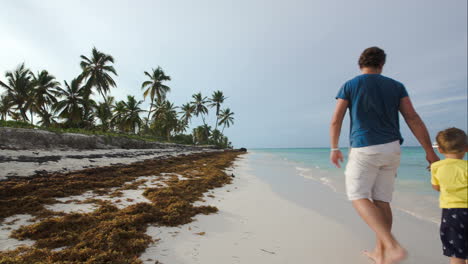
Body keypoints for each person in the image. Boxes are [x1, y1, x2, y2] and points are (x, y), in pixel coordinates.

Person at [329, 46, 440, 264]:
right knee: (381, 200)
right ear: (382, 65)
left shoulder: (350, 85)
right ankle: (380, 254)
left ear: (360, 63)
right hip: (392, 149)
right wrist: (429, 151)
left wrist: (334, 148)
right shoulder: (396, 86)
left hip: (365, 148)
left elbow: (336, 119)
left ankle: (391, 245)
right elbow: (413, 118)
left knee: (357, 196)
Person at [431, 127, 468, 264]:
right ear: (466, 148)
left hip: (451, 213)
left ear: (439, 149)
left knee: (456, 253)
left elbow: (436, 187)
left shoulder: (436, 167)